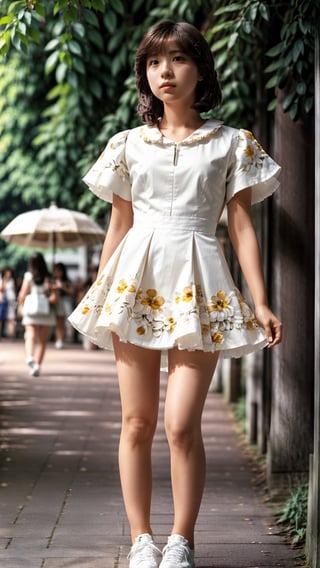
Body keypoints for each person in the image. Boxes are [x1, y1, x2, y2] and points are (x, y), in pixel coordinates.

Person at [69, 21, 282, 568]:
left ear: (200, 71)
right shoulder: (126, 145)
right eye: (155, 61)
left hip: (201, 283)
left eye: (179, 59)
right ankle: (142, 538)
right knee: (136, 422)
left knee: (181, 424)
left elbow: (240, 229)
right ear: (145, 73)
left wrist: (259, 300)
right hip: (135, 282)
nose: (165, 71)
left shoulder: (232, 143)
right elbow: (119, 224)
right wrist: (99, 286)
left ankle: (181, 539)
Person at [18, 252, 57, 377]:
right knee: (43, 340)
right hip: (46, 311)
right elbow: (54, 297)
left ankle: (30, 357)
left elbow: (22, 295)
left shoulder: (28, 276)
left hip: (31, 310)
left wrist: (21, 304)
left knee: (30, 335)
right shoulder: (49, 277)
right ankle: (37, 366)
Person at [52, 262, 74, 349]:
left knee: (63, 321)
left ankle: (61, 339)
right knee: (58, 322)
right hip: (56, 302)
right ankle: (59, 339)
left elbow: (71, 292)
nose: (57, 272)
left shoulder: (67, 281)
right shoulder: (52, 280)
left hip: (65, 302)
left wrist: (62, 287)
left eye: (59, 270)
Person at [0, 266, 17, 338]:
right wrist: (4, 281)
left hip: (11, 301)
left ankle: (11, 335)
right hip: (2, 301)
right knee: (0, 318)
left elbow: (14, 290)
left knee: (11, 318)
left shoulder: (12, 280)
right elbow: (1, 289)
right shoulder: (1, 280)